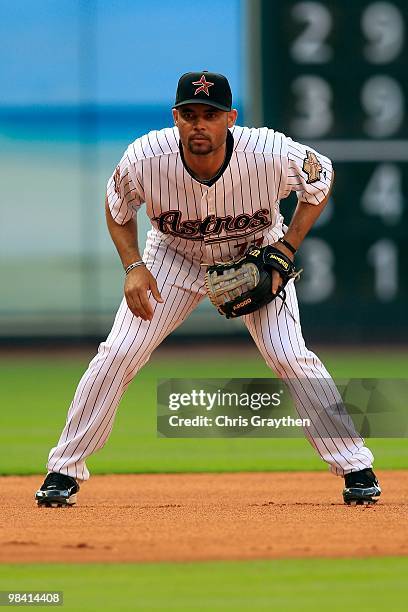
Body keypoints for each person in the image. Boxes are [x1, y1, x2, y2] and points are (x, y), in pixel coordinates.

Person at [35, 71, 381, 508]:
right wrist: (133, 266)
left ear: (230, 118)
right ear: (175, 117)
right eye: (190, 114)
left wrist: (287, 247)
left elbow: (321, 177)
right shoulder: (145, 156)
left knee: (289, 354)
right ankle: (63, 469)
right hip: (172, 260)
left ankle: (355, 465)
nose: (200, 124)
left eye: (211, 115)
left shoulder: (269, 151)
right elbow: (117, 204)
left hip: (254, 256)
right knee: (119, 353)